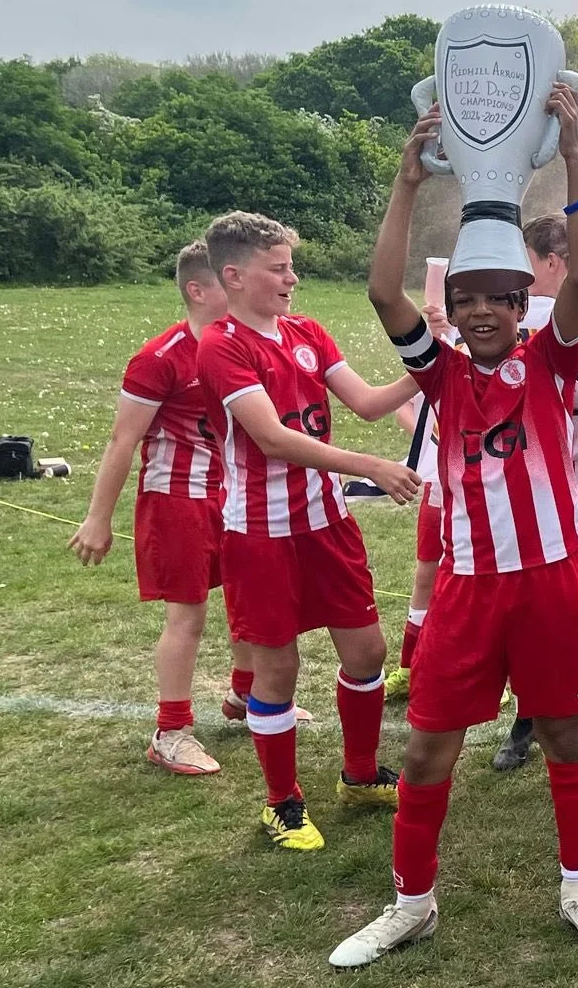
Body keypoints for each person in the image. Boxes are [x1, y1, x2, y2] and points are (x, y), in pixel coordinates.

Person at [331, 90, 578, 967]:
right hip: (467, 588)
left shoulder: (549, 361)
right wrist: (404, 183)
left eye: (503, 297)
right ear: (454, 310)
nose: (487, 311)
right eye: (471, 300)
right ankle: (411, 906)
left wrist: (575, 158)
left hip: (552, 582)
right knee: (425, 754)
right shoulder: (442, 376)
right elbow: (383, 290)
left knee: (567, 738)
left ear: (522, 305)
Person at [196, 210, 422, 851]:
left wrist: (431, 357)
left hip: (328, 525)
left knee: (368, 653)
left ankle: (358, 775)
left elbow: (371, 402)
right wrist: (372, 467)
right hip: (261, 536)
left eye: (291, 265)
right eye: (279, 267)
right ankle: (282, 803)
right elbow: (271, 439)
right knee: (278, 672)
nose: (293, 277)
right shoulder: (222, 346)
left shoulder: (308, 333)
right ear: (234, 276)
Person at [70, 240, 277, 775]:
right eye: (227, 283)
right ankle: (171, 730)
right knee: (187, 616)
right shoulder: (160, 358)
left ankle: (245, 697)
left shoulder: (242, 346)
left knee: (248, 597)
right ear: (198, 289)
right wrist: (98, 519)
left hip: (234, 495)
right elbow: (122, 441)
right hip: (177, 499)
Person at [488, 211, 578, 772]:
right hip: (524, 486)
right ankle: (526, 717)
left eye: (530, 260)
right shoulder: (509, 310)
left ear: (552, 261)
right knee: (524, 607)